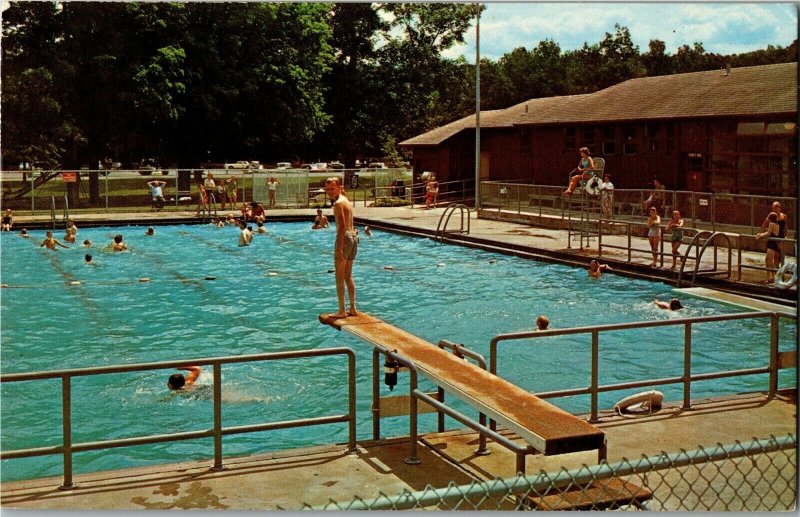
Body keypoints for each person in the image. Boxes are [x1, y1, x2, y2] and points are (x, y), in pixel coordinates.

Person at [325, 176, 358, 318]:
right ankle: (353, 308)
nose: (329, 192)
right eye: (327, 189)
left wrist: (338, 248)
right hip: (354, 237)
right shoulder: (346, 201)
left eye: (332, 188)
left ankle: (341, 310)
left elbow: (342, 227)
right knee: (348, 275)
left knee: (339, 275)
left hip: (345, 238)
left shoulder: (338, 204)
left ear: (339, 188)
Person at [761, 201, 788, 266]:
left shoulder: (784, 216)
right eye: (774, 207)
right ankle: (771, 273)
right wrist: (767, 234)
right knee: (769, 258)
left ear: (780, 208)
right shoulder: (771, 216)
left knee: (778, 257)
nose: (776, 209)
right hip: (772, 239)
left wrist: (786, 236)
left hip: (780, 239)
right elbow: (763, 226)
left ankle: (777, 272)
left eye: (777, 207)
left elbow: (785, 227)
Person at [756, 212, 780, 283]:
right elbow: (769, 233)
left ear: (771, 218)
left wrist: (760, 236)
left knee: (769, 261)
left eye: (769, 218)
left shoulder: (771, 224)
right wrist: (760, 234)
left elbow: (768, 233)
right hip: (772, 243)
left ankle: (777, 275)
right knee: (767, 260)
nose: (768, 219)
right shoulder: (776, 224)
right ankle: (770, 277)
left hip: (772, 244)